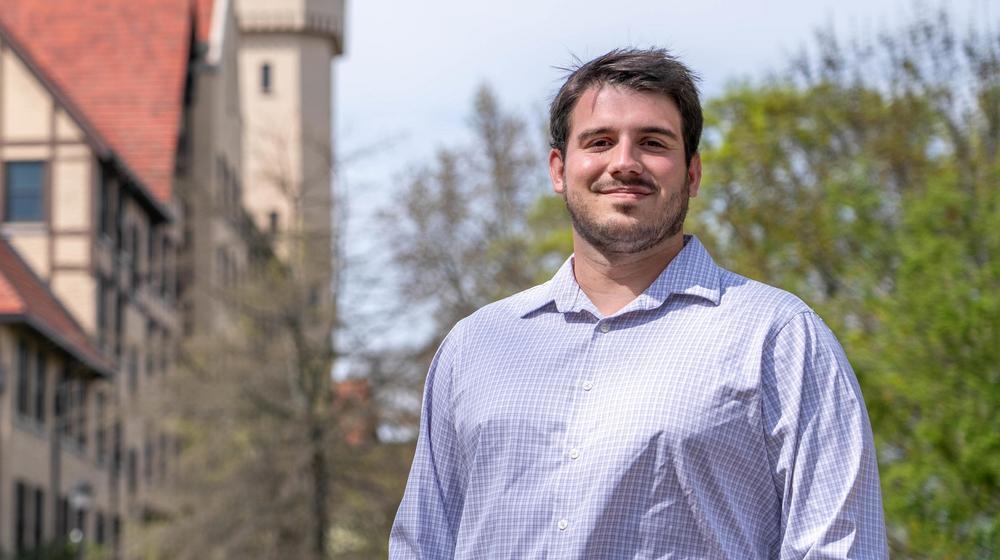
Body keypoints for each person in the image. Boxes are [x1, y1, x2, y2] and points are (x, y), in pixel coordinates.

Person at [390, 48, 887, 559]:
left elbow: (839, 547)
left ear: (692, 174)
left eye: (652, 143)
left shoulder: (779, 339)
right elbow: (423, 544)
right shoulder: (475, 348)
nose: (624, 163)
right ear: (559, 169)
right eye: (600, 141)